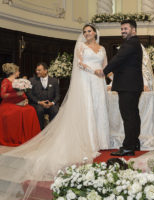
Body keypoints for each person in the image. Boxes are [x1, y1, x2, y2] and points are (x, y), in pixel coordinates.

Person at [0, 23, 110, 199]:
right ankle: (89, 140)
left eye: (90, 31)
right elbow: (80, 64)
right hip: (87, 80)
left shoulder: (103, 48)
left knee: (100, 110)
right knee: (89, 110)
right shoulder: (81, 46)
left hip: (98, 82)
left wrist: (106, 75)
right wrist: (93, 71)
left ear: (95, 32)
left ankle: (102, 139)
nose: (87, 33)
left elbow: (106, 65)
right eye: (85, 32)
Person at [101, 19, 144, 156]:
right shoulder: (134, 43)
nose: (123, 31)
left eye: (126, 28)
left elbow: (118, 59)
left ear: (133, 30)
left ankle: (128, 147)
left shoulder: (131, 43)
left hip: (128, 85)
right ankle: (134, 142)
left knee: (129, 116)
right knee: (133, 115)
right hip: (132, 85)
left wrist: (104, 71)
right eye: (122, 29)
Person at [0, 63, 40, 146]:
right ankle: (17, 137)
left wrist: (25, 99)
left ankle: (30, 136)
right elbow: (3, 95)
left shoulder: (18, 81)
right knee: (18, 112)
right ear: (14, 72)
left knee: (31, 109)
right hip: (8, 104)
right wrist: (16, 95)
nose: (19, 72)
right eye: (18, 71)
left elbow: (23, 93)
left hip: (19, 103)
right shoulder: (6, 81)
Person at [27, 62, 60, 129]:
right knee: (39, 110)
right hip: (38, 104)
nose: (37, 72)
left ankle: (52, 130)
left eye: (39, 70)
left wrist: (52, 103)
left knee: (55, 110)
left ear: (45, 71)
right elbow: (29, 94)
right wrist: (39, 102)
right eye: (36, 70)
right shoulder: (32, 80)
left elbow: (58, 95)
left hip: (50, 104)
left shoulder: (54, 81)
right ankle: (40, 130)